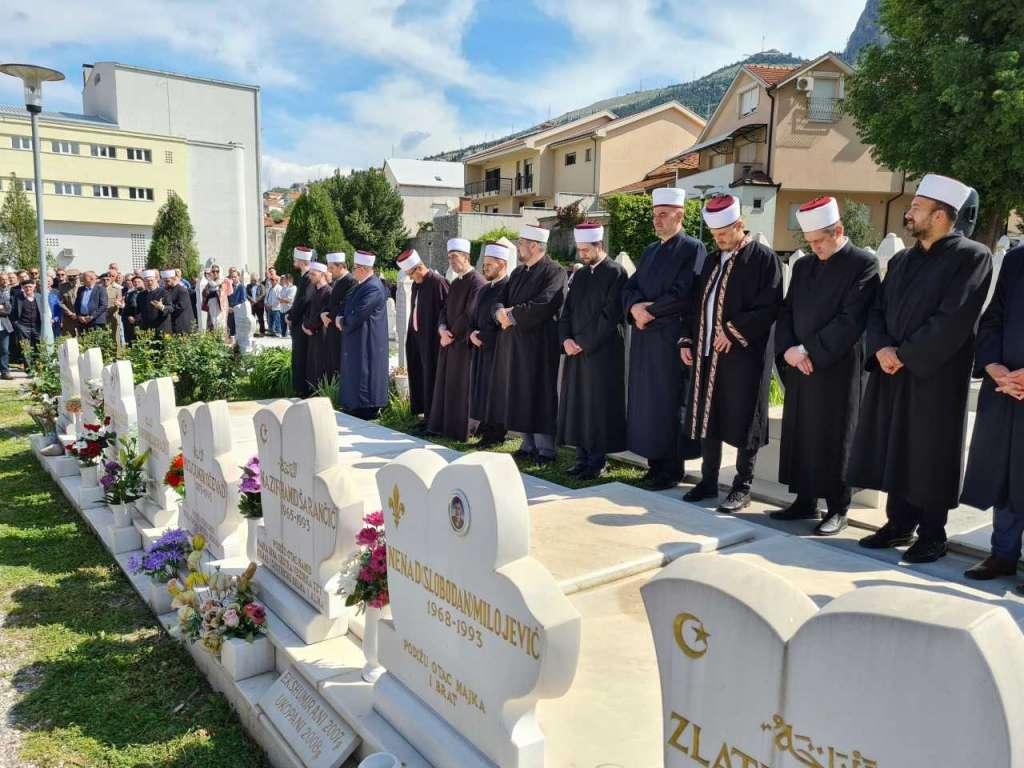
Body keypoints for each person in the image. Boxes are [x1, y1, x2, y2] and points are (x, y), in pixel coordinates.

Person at [850, 173, 993, 563]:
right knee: (896, 447)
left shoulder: (972, 257)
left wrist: (905, 355)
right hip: (893, 369)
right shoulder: (901, 260)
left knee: (930, 452)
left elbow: (953, 319)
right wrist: (880, 348)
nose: (909, 212)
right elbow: (876, 310)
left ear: (942, 215)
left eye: (917, 207)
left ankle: (933, 533)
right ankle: (899, 524)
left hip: (936, 376)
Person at [771, 196, 880, 535]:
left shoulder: (863, 264)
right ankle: (805, 500)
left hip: (838, 366)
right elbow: (787, 310)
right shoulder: (804, 266)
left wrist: (809, 351)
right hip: (801, 365)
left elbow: (852, 319)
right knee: (803, 432)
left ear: (839, 231)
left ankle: (838, 507)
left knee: (837, 434)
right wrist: (788, 349)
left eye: (820, 241)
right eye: (811, 242)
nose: (814, 247)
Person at [680, 194, 783, 512]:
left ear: (740, 225)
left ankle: (743, 486)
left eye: (724, 233)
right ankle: (708, 482)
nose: (719, 239)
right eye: (715, 235)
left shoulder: (764, 259)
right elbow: (695, 303)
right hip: (708, 355)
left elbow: (770, 305)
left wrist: (733, 332)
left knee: (744, 419)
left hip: (744, 356)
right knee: (709, 418)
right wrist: (687, 340)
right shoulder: (712, 260)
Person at [622, 187, 707, 490]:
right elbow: (630, 287)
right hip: (646, 339)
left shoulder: (692, 248)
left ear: (679, 215)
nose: (656, 221)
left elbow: (686, 292)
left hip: (671, 338)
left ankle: (672, 468)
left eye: (663, 215)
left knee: (669, 403)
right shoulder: (650, 251)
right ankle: (654, 464)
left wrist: (649, 312)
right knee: (647, 404)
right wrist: (634, 307)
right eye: (655, 215)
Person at [961, 244, 1024, 584]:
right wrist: (992, 365)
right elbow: (993, 318)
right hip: (1005, 388)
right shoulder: (1016, 260)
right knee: (1007, 473)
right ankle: (1003, 554)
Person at [489, 224, 566, 464]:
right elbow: (500, 298)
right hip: (516, 343)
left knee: (539, 393)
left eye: (521, 243)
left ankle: (546, 449)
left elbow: (545, 303)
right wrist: (499, 312)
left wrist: (511, 316)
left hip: (540, 344)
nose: (519, 247)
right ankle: (527, 443)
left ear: (534, 246)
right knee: (519, 392)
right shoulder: (519, 272)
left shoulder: (555, 271)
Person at [556, 223, 628, 480]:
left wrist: (583, 342)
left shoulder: (616, 273)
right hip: (576, 351)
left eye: (587, 250)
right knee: (578, 405)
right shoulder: (581, 275)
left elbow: (610, 315)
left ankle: (597, 460)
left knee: (597, 407)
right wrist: (565, 339)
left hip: (602, 352)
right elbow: (567, 312)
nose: (582, 255)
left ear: (600, 246)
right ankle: (581, 457)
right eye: (580, 250)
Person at [428, 238, 486, 440]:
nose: (451, 261)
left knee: (462, 387)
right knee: (448, 385)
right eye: (449, 257)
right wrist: (442, 329)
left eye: (455, 257)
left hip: (463, 344)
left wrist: (451, 334)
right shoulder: (455, 282)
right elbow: (445, 309)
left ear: (467, 257)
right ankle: (445, 426)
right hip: (449, 340)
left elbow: (469, 314)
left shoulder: (477, 282)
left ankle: (461, 430)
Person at [399, 248, 449, 431]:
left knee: (431, 378)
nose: (411, 278)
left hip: (433, 341)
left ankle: (435, 420)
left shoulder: (438, 282)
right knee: (420, 376)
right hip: (418, 338)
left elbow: (447, 310)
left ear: (419, 268)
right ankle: (425, 414)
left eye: (411, 274)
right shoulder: (417, 284)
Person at [469, 242, 511, 448]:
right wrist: (471, 333)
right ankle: (485, 428)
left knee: (496, 391)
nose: (484, 268)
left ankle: (496, 434)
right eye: (484, 264)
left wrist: (483, 335)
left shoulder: (508, 287)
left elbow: (502, 321)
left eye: (489, 264)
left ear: (502, 264)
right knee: (483, 389)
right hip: (480, 346)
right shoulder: (485, 289)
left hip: (498, 347)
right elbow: (474, 315)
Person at [340, 251, 389, 419]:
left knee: (365, 372)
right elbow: (348, 307)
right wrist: (342, 317)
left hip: (368, 339)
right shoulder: (362, 285)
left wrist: (342, 322)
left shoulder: (373, 287)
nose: (353, 271)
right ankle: (354, 405)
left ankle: (367, 407)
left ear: (362, 268)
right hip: (358, 338)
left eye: (355, 268)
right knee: (357, 371)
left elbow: (359, 313)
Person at [301, 261, 332, 392]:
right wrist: (305, 325)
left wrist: (309, 327)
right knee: (312, 365)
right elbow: (309, 312)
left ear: (322, 275)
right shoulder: (316, 291)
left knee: (320, 366)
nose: (310, 277)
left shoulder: (328, 292)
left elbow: (322, 315)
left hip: (322, 335)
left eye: (313, 274)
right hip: (312, 334)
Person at [288, 247, 315, 396]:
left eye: (295, 259)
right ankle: (299, 389)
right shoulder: (304, 277)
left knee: (301, 358)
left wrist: (291, 317)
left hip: (302, 325)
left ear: (302, 261)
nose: (293, 261)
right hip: (299, 323)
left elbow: (303, 301)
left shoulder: (309, 277)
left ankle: (302, 391)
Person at [325, 252, 356, 381]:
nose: (329, 271)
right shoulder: (337, 281)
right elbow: (331, 301)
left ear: (340, 266)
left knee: (340, 362)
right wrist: (324, 313)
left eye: (331, 268)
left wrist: (329, 316)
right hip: (332, 326)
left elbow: (346, 304)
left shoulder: (351, 281)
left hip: (340, 329)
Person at [11, 280, 43, 353]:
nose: (28, 289)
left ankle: (40, 363)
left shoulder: (39, 296)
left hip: (37, 326)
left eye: (30, 287)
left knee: (40, 346)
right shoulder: (17, 298)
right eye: (26, 287)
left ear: (34, 286)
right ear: (22, 288)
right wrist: (17, 324)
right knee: (25, 348)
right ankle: (28, 364)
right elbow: (12, 312)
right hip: (23, 326)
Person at [138, 270, 171, 336]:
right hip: (146, 329)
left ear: (156, 280)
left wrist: (162, 307)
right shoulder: (140, 295)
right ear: (144, 282)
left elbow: (170, 308)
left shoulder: (164, 293)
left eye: (151, 280)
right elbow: (138, 311)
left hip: (161, 328)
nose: (149, 283)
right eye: (147, 281)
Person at [163, 269, 196, 335]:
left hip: (182, 324)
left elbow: (180, 307)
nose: (166, 283)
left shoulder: (182, 291)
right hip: (173, 323)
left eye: (168, 281)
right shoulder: (167, 290)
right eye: (165, 281)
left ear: (174, 279)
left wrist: (164, 308)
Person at [121, 274, 145, 345]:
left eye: (138, 282)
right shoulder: (130, 294)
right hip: (131, 322)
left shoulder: (146, 293)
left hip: (142, 321)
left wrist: (137, 319)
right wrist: (128, 316)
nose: (136, 283)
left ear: (143, 282)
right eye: (134, 282)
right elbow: (127, 308)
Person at [56, 269, 78, 336]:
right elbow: (60, 302)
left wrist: (77, 314)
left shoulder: (82, 286)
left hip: (80, 317)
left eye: (74, 276)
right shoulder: (62, 287)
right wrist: (70, 313)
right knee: (69, 338)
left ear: (78, 277)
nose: (72, 278)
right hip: (68, 317)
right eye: (70, 277)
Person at [0, 279, 14, 379]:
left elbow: (8, 310)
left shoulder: (3, 295)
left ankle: (5, 371)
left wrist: (2, 308)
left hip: (3, 327)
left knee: (4, 350)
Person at [265, 271, 284, 337]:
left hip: (276, 308)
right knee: (270, 321)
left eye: (273, 280)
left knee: (277, 321)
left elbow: (279, 299)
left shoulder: (279, 288)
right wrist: (266, 304)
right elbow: (267, 297)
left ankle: (278, 332)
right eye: (271, 280)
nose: (271, 281)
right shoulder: (270, 288)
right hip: (270, 308)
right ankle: (271, 331)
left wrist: (272, 305)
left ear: (277, 281)